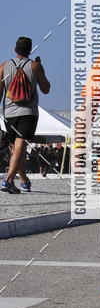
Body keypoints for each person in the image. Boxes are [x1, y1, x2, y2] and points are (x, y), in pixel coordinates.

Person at [0, 37, 50, 194]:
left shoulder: (4, 66)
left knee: (15, 147)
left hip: (8, 112)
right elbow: (46, 88)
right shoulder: (35, 66)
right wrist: (39, 69)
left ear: (15, 49)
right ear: (30, 50)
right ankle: (8, 180)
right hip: (28, 111)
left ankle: (23, 181)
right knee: (20, 144)